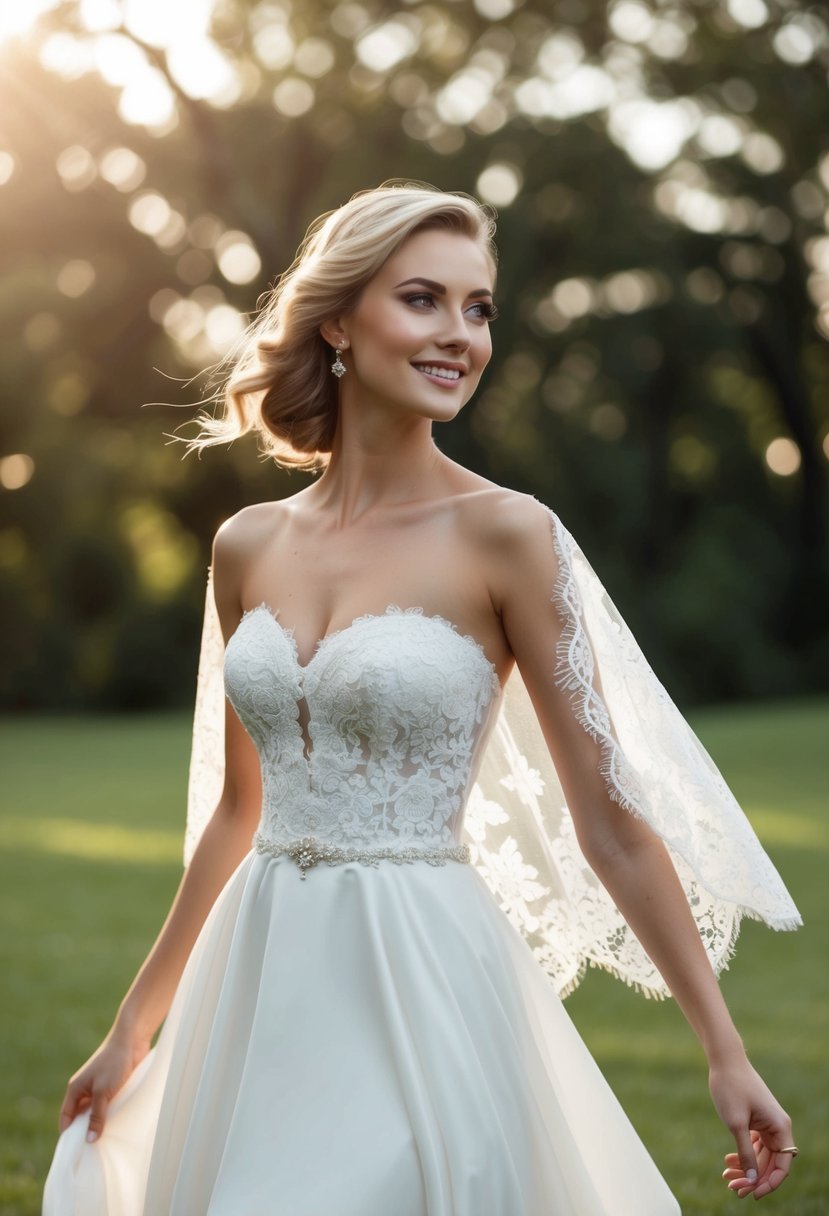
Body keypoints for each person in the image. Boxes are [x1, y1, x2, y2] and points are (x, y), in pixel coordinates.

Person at [43, 182, 801, 1215]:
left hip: (417, 970)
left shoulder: (509, 536)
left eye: (478, 307)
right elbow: (236, 810)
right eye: (423, 299)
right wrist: (135, 1027)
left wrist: (724, 1050)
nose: (461, 335)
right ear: (340, 323)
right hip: (260, 970)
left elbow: (612, 821)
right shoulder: (246, 545)